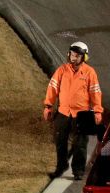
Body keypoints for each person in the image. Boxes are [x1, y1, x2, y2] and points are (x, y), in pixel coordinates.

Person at [44, 42, 103, 179]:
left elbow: (95, 93)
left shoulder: (90, 73)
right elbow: (52, 88)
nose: (74, 57)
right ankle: (61, 167)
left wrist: (98, 111)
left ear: (84, 57)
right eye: (72, 54)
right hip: (63, 112)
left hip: (82, 115)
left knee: (80, 145)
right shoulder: (61, 70)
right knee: (60, 142)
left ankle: (78, 171)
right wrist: (48, 106)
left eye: (77, 55)